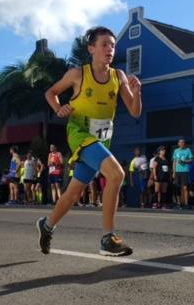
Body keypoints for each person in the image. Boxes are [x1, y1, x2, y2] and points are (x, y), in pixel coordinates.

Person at [36, 26, 141, 257]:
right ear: (91, 48)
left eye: (113, 45)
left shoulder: (119, 76)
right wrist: (58, 108)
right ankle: (107, 238)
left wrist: (137, 92)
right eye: (104, 44)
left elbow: (134, 111)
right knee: (117, 174)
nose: (110, 49)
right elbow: (51, 93)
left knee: (74, 192)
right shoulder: (78, 74)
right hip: (80, 132)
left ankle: (47, 225)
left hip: (102, 139)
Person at [172, 139, 193, 209]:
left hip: (185, 171)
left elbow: (191, 160)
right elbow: (174, 161)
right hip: (177, 171)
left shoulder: (188, 150)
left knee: (185, 187)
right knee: (177, 187)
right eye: (181, 142)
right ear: (178, 143)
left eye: (183, 142)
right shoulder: (176, 151)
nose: (182, 143)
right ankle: (178, 203)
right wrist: (174, 172)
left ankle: (186, 203)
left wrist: (184, 161)